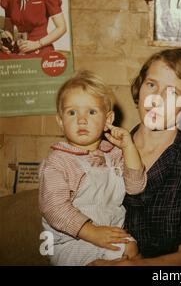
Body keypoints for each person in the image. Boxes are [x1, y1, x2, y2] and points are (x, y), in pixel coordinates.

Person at [89, 48, 181, 266]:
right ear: (139, 88)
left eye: (172, 93)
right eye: (151, 85)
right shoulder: (103, 150)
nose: (157, 99)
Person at [39, 71, 146, 266]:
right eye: (72, 112)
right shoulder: (58, 162)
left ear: (108, 120)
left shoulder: (113, 155)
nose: (81, 119)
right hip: (68, 241)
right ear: (61, 121)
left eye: (91, 112)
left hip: (106, 234)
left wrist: (128, 147)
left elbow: (135, 187)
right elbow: (54, 208)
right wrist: (92, 232)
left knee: (132, 250)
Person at [0, 0, 67, 59]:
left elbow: (62, 27)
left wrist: (37, 44)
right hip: (18, 49)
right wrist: (4, 42)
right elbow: (8, 29)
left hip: (41, 49)